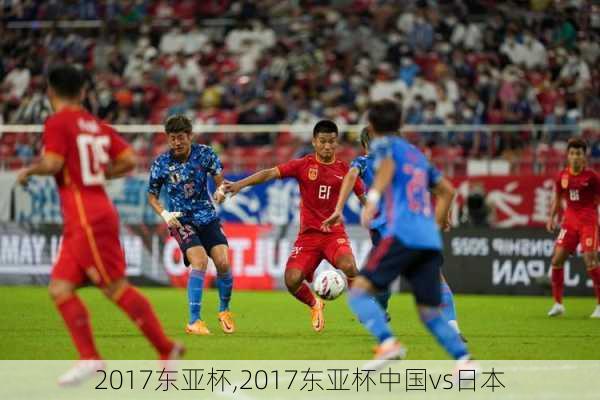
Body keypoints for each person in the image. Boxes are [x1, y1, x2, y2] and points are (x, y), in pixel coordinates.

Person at [16, 65, 183, 386]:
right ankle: (91, 357)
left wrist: (29, 172)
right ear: (82, 93)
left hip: (87, 217)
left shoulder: (57, 122)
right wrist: (97, 175)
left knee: (115, 288)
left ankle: (165, 349)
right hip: (91, 213)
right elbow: (129, 160)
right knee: (60, 288)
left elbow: (53, 163)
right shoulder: (95, 125)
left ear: (51, 93)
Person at [347, 100, 474, 370]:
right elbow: (448, 192)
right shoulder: (416, 154)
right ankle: (465, 363)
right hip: (426, 239)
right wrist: (434, 224)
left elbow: (388, 167)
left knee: (358, 293)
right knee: (428, 311)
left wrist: (372, 199)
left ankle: (387, 343)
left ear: (372, 126)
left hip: (401, 233)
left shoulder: (383, 146)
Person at [322, 127, 467, 341]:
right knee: (436, 277)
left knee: (376, 280)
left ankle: (378, 318)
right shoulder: (412, 160)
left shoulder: (364, 161)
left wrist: (338, 208)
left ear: (364, 145)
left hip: (387, 229)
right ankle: (453, 328)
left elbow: (351, 176)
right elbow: (445, 190)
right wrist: (444, 217)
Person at [224, 120, 366, 332]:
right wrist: (239, 184)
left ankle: (363, 309)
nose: (327, 146)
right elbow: (269, 173)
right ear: (314, 142)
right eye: (323, 141)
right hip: (308, 237)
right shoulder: (303, 165)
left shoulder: (347, 171)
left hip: (333, 234)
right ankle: (315, 304)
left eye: (332, 142)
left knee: (350, 266)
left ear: (337, 144)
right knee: (291, 280)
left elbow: (365, 198)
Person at [148, 114, 235, 335]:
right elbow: (152, 196)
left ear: (190, 136)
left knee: (223, 263)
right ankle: (194, 321)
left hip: (207, 216)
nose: (176, 142)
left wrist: (221, 192)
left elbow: (220, 184)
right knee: (200, 261)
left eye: (180, 137)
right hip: (180, 219)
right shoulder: (161, 164)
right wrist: (165, 214)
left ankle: (224, 310)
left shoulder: (205, 154)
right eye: (172, 138)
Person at [546, 138, 600, 318]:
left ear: (585, 156)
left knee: (590, 260)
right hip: (569, 222)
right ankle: (558, 304)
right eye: (572, 153)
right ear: (567, 156)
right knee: (556, 260)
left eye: (579, 153)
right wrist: (551, 217)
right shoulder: (562, 176)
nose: (575, 157)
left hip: (588, 221)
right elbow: (558, 198)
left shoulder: (592, 177)